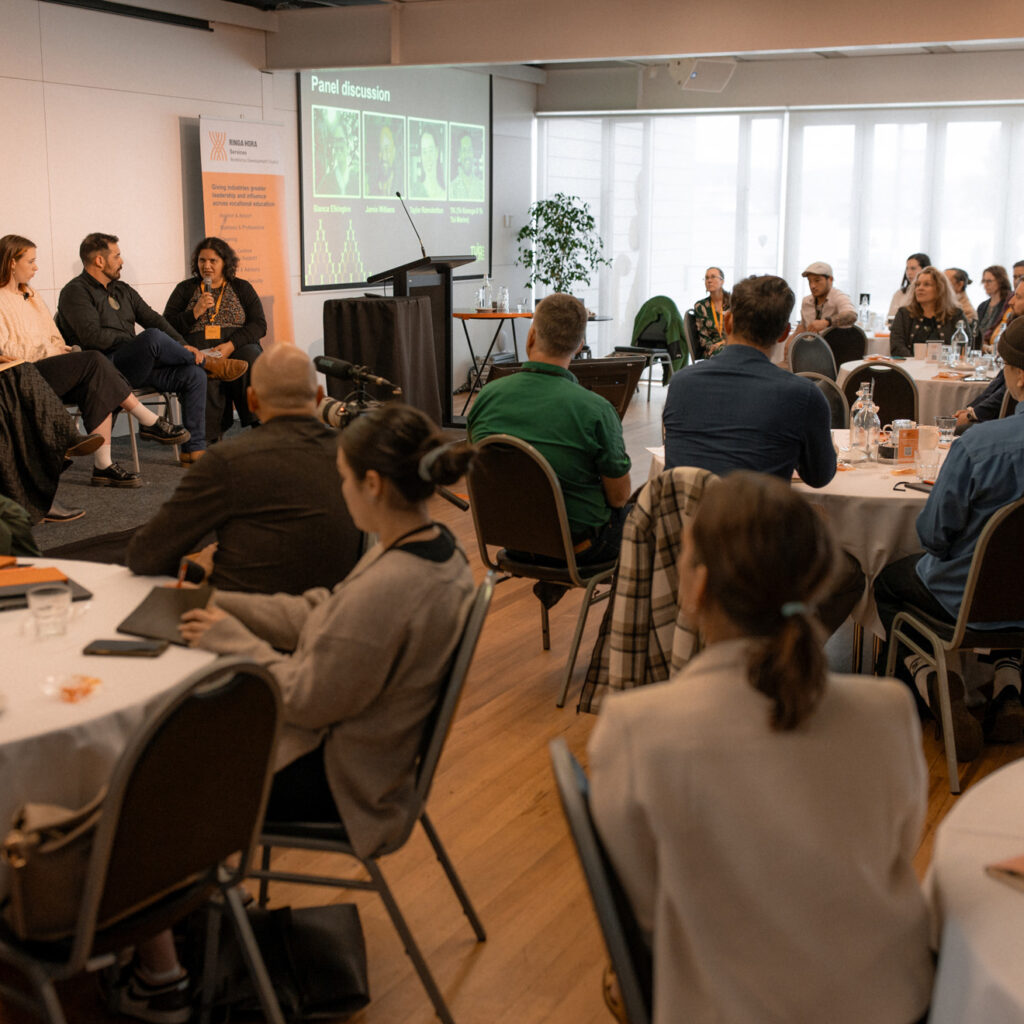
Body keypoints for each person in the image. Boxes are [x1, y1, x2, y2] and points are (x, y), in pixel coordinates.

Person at [589, 472, 933, 1024]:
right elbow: (896, 847)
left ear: (697, 587)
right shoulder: (889, 710)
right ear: (819, 581)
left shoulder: (637, 729)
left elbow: (642, 912)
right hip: (890, 1000)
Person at [178, 403, 476, 862]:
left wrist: (229, 639)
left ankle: (186, 914)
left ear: (372, 484)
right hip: (366, 760)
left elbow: (305, 699)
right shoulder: (431, 545)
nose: (342, 489)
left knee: (162, 770)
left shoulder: (392, 585)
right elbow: (323, 612)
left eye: (343, 477)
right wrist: (220, 602)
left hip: (339, 781)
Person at [875, 317, 1024, 758]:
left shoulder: (980, 445)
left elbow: (935, 536)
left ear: (1016, 375)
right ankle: (1008, 687)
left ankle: (932, 681)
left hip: (966, 601)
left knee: (887, 582)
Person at [127, 345, 362, 595]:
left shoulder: (225, 461)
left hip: (243, 617)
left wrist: (204, 563)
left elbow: (146, 554)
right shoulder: (356, 457)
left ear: (251, 400)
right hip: (338, 612)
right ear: (318, 397)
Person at [0, 234, 188, 488]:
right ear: (12, 262)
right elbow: (6, 349)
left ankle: (103, 467)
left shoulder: (31, 295)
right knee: (94, 360)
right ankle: (149, 420)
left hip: (48, 365)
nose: (36, 267)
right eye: (31, 261)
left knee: (95, 380)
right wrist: (47, 350)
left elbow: (53, 337)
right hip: (20, 374)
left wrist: (62, 349)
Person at [467, 292, 632, 575]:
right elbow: (618, 497)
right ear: (579, 346)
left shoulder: (487, 396)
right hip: (580, 549)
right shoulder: (596, 410)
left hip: (511, 539)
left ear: (531, 336)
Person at [57, 233, 244, 465]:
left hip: (136, 366)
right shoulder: (75, 292)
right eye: (116, 255)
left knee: (192, 374)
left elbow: (154, 319)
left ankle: (193, 450)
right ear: (99, 261)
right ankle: (209, 363)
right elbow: (91, 336)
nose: (121, 261)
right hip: (104, 368)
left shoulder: (122, 290)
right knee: (152, 339)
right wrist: (136, 344)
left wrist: (183, 345)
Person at [663, 274, 835, 486]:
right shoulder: (803, 395)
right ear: (784, 333)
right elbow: (819, 477)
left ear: (727, 322)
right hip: (755, 517)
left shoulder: (681, 383)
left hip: (681, 515)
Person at [163, 237, 266, 444]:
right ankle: (208, 437)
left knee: (251, 356)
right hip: (199, 348)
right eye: (202, 261)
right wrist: (194, 313)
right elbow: (166, 326)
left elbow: (259, 325)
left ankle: (260, 424)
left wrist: (231, 345)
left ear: (225, 263)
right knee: (200, 368)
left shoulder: (241, 287)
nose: (206, 266)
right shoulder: (185, 289)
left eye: (213, 261)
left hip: (234, 345)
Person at [953, 277, 1024, 431]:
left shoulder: (1020, 336)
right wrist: (971, 409)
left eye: (1018, 297)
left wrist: (973, 414)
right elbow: (999, 382)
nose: (1011, 302)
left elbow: (1006, 392)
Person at [889, 265, 962, 357]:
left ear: (940, 289)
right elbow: (897, 347)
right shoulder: (904, 314)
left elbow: (962, 348)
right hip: (910, 368)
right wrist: (917, 363)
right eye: (917, 285)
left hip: (944, 368)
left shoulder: (955, 315)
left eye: (927, 284)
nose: (920, 288)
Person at [794, 260, 857, 334]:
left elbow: (851, 315)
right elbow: (803, 327)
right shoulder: (806, 301)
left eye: (817, 280)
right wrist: (792, 339)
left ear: (830, 279)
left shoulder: (839, 297)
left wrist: (827, 322)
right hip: (809, 344)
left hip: (831, 344)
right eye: (810, 281)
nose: (812, 286)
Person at [691, 266, 730, 358]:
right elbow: (703, 336)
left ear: (722, 281)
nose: (709, 281)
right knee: (719, 354)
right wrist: (712, 347)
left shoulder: (733, 302)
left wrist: (722, 343)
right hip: (712, 350)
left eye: (713, 277)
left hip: (732, 345)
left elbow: (740, 332)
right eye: (707, 278)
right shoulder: (700, 306)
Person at [975, 264, 1012, 349]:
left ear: (1001, 281)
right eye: (984, 281)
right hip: (981, 348)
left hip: (996, 347)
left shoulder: (1008, 304)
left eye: (989, 281)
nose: (985, 285)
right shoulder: (982, 306)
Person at [887, 252, 930, 318]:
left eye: (913, 268)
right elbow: (890, 318)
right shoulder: (900, 293)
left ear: (925, 269)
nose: (909, 273)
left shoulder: (932, 294)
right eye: (907, 268)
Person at [449, 132, 483, 200]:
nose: (467, 155)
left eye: (469, 150)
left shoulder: (482, 187)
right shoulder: (452, 188)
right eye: (464, 150)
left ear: (473, 153)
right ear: (459, 154)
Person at [414, 128, 446, 200]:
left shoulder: (445, 194)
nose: (428, 158)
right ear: (421, 156)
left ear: (437, 152)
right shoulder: (415, 193)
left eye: (431, 151)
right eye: (424, 152)